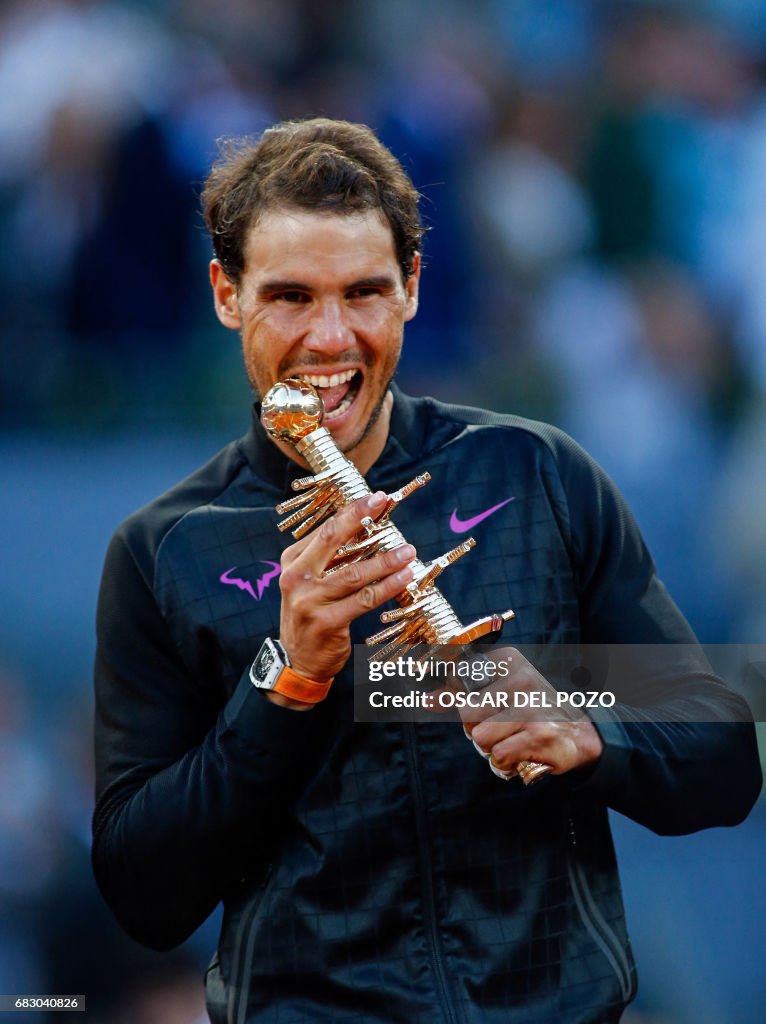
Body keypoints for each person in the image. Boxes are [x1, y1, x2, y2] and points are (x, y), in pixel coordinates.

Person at [92, 117, 761, 1024]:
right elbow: (143, 894)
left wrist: (590, 729)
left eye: (364, 291)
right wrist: (283, 683)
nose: (330, 338)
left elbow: (719, 752)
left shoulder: (533, 474)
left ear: (411, 287)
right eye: (290, 296)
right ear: (225, 293)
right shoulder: (166, 550)